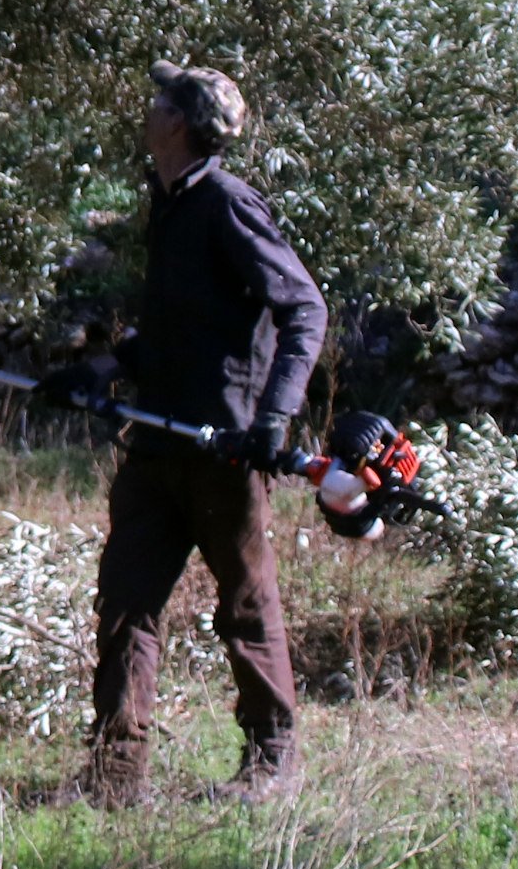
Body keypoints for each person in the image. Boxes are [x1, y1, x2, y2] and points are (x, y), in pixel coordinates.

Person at [44, 62, 326, 802]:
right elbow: (176, 332)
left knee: (244, 605)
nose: (147, 105)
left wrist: (274, 418)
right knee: (126, 603)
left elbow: (304, 310)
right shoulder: (166, 204)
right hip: (157, 441)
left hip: (223, 448)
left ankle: (272, 764)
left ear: (181, 122)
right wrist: (100, 369)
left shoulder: (227, 205)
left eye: (159, 99)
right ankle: (115, 775)